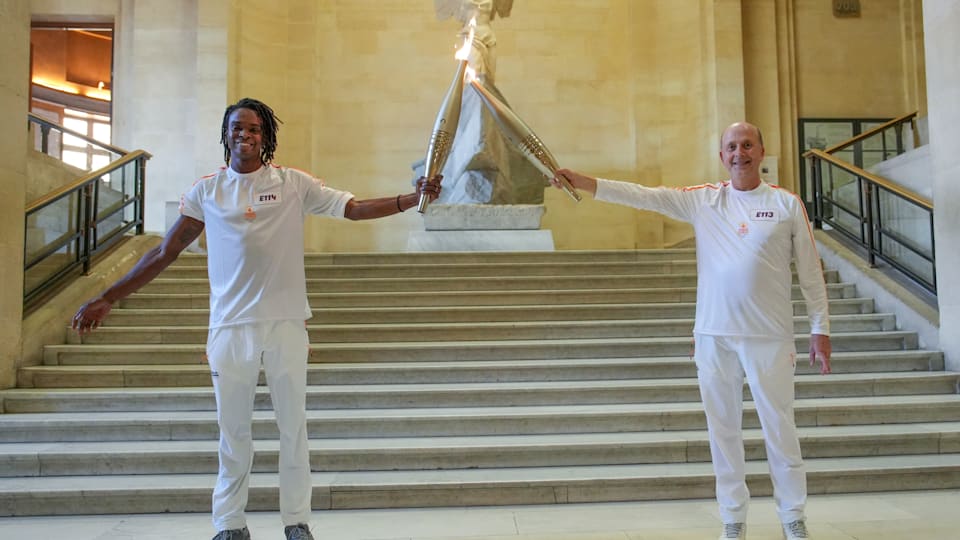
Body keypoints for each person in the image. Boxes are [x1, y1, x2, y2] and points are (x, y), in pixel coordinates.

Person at [71, 97, 442, 540]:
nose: (244, 134)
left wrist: (411, 198)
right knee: (234, 433)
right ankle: (230, 524)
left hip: (285, 324)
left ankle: (296, 521)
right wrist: (108, 297)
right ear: (225, 135)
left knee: (293, 428)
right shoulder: (206, 192)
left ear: (265, 137)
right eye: (236, 128)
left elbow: (354, 208)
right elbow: (164, 252)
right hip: (229, 328)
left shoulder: (292, 184)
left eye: (253, 129)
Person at [550, 122, 831, 540]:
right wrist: (587, 183)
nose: (740, 153)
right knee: (723, 432)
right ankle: (733, 520)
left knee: (779, 429)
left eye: (747, 145)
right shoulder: (704, 201)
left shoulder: (786, 204)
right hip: (713, 338)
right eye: (731, 146)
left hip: (769, 338)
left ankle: (793, 517)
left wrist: (819, 328)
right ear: (722, 156)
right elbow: (645, 196)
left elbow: (810, 271)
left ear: (761, 151)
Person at [419, 0, 546, 205]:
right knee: (476, 84)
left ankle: (488, 135)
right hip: (471, 37)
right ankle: (474, 140)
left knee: (488, 87)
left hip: (489, 37)